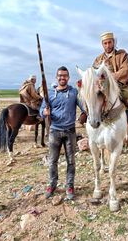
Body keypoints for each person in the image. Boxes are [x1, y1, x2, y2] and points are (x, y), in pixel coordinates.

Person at [40, 66, 85, 200]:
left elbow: (84, 107)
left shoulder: (73, 93)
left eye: (65, 75)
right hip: (54, 131)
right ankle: (52, 185)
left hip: (70, 131)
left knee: (71, 161)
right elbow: (41, 110)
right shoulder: (49, 93)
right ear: (56, 77)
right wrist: (44, 112)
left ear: (68, 77)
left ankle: (69, 186)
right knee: (53, 161)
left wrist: (85, 113)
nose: (62, 78)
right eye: (60, 75)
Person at [93, 32, 128, 116]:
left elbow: (125, 69)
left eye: (109, 42)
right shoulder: (98, 59)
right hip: (102, 87)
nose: (108, 45)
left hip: (120, 85)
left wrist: (110, 77)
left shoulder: (122, 55)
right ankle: (88, 116)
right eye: (105, 43)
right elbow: (94, 73)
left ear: (113, 42)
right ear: (102, 44)